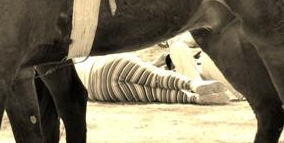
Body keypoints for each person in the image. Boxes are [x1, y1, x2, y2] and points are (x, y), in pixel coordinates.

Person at [74, 53, 230, 104]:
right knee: (156, 77)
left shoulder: (66, 72)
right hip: (110, 64)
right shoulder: (80, 54)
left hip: (99, 91)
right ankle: (192, 84)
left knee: (154, 95)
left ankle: (193, 98)